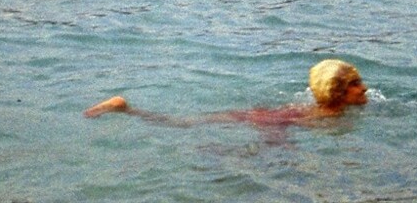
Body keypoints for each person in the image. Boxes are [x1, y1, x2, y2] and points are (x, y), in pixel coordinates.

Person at [84, 59, 368, 132]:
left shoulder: (318, 108)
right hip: (265, 120)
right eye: (356, 83)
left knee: (183, 123)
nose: (364, 88)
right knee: (181, 125)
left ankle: (126, 109)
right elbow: (281, 124)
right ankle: (125, 108)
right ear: (339, 92)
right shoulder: (331, 116)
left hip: (260, 115)